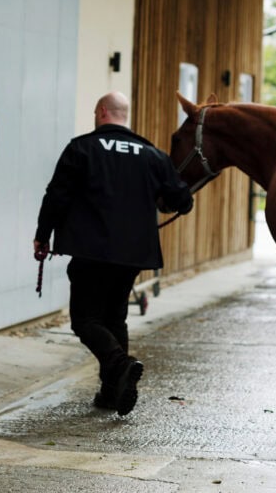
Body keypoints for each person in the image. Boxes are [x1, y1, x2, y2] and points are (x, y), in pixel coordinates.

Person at [34, 91, 193, 416]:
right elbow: (180, 198)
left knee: (84, 319)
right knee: (114, 317)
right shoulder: (153, 155)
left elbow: (57, 195)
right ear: (124, 115)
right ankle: (111, 393)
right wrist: (178, 196)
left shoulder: (82, 148)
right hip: (133, 254)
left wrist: (42, 235)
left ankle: (121, 365)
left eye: (96, 113)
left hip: (91, 250)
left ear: (102, 112)